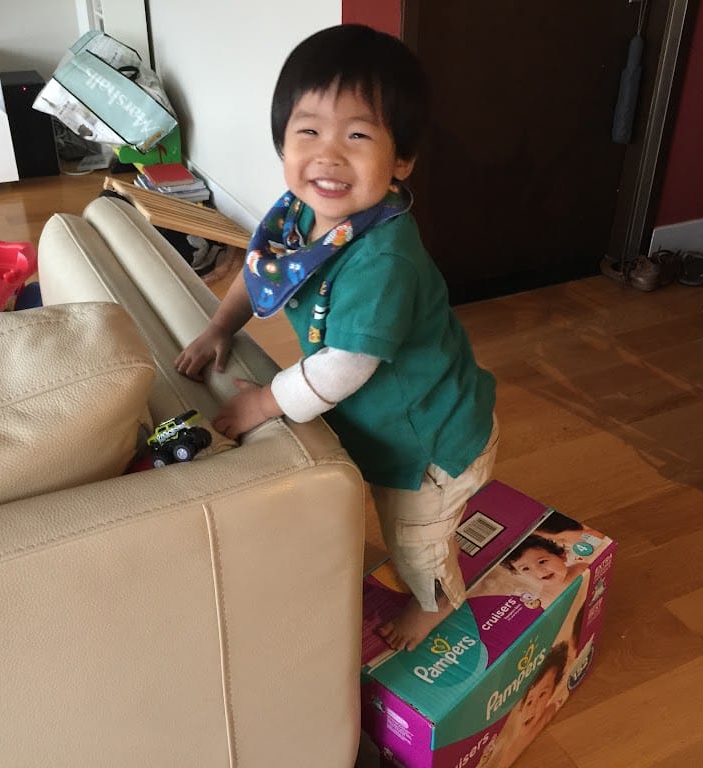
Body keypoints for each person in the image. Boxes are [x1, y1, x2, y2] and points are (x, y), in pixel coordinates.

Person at [174, 24, 498, 653]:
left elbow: (344, 366)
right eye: (309, 132)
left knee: (416, 540)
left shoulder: (382, 260)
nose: (328, 156)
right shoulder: (300, 215)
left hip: (429, 442)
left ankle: (436, 602)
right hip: (382, 423)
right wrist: (220, 326)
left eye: (357, 135)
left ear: (401, 160)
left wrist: (263, 402)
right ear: (282, 140)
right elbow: (260, 271)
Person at [500, 534, 588, 610]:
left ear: (561, 556)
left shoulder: (582, 568)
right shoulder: (546, 599)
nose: (539, 571)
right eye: (525, 569)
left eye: (542, 561)